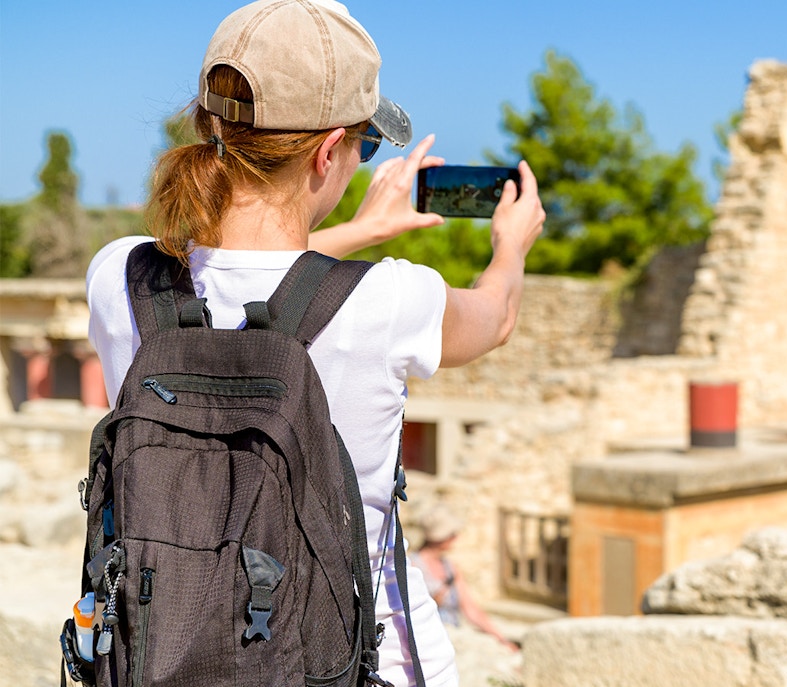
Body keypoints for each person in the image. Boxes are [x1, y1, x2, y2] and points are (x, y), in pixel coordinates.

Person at [84, 1, 544, 685]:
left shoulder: (122, 275)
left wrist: (355, 232)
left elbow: (237, 280)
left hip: (157, 657)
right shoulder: (390, 301)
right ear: (329, 152)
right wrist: (512, 244)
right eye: (361, 144)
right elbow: (495, 315)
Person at [410, 505, 518, 651]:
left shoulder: (449, 567)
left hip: (453, 638)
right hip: (426, 642)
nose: (456, 537)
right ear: (441, 537)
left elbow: (471, 609)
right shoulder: (411, 566)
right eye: (452, 534)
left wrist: (500, 638)